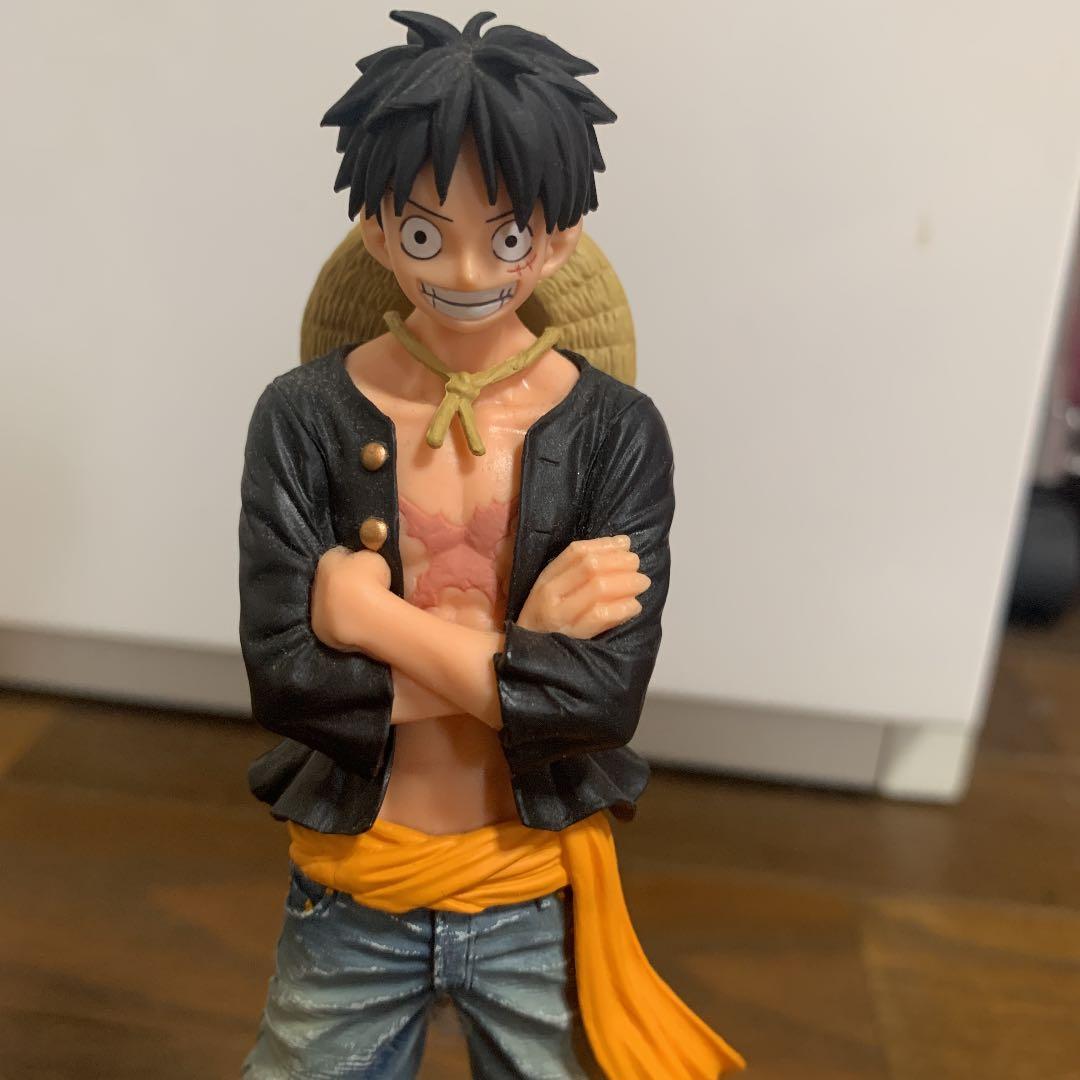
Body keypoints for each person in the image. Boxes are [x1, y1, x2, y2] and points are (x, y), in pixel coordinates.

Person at [239, 10, 745, 1078]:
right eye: (427, 235)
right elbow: (288, 682)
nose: (467, 269)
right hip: (353, 883)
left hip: (534, 887)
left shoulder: (614, 433)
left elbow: (599, 702)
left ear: (559, 237)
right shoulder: (302, 417)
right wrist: (524, 649)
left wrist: (369, 620)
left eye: (507, 236)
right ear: (376, 229)